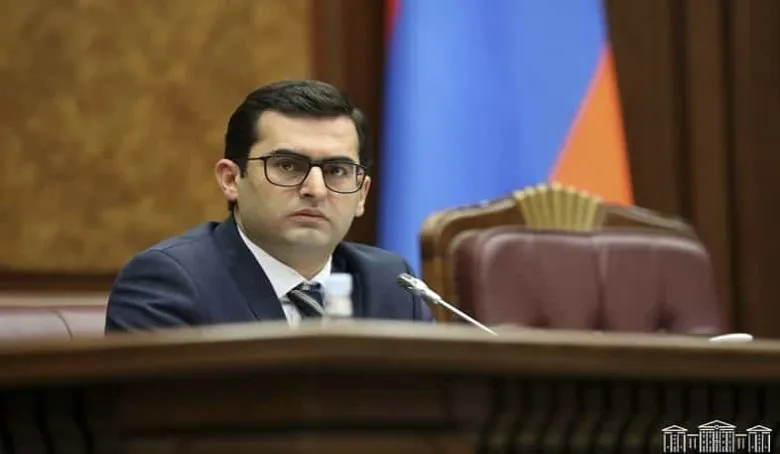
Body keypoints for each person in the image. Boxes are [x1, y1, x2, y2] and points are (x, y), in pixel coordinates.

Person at [105, 80, 435, 332]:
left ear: (361, 194)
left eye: (336, 171)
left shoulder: (391, 284)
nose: (315, 190)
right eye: (288, 166)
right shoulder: (171, 283)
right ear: (231, 180)